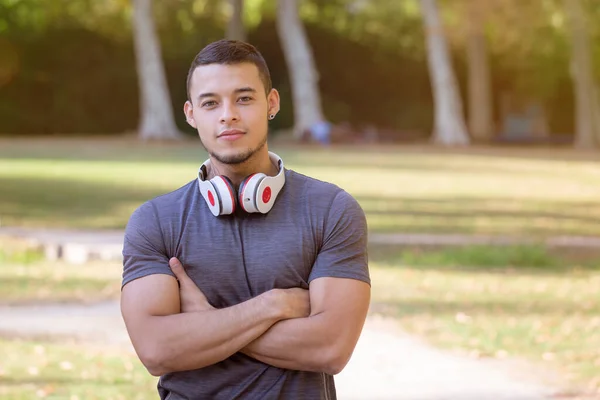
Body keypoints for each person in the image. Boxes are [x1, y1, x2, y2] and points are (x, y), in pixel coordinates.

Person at [120, 39, 371, 400]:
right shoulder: (155, 221)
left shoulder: (331, 209)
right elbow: (158, 351)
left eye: (244, 98)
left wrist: (205, 323)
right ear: (191, 114)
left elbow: (330, 349)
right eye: (211, 103)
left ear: (271, 104)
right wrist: (275, 305)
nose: (228, 115)